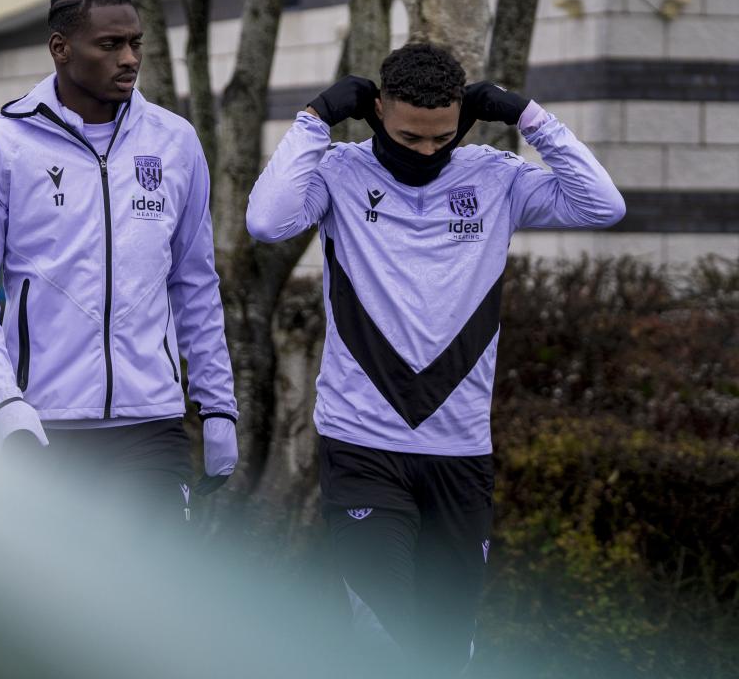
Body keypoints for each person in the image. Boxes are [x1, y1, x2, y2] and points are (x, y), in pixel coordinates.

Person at [248, 42, 625, 674]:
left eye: (441, 139)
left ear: (465, 123)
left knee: (451, 645)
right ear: (375, 113)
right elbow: (266, 220)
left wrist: (529, 116)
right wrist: (314, 119)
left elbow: (602, 205)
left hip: (460, 448)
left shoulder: (496, 176)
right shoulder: (340, 171)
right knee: (381, 636)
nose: (425, 152)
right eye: (408, 138)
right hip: (361, 441)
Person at [0, 0, 238, 526]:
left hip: (151, 423)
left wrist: (218, 403)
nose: (129, 58)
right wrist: (1, 402)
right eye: (110, 45)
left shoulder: (174, 141)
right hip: (43, 424)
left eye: (136, 44)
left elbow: (194, 282)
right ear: (61, 49)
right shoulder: (1, 145)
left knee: (150, 596)